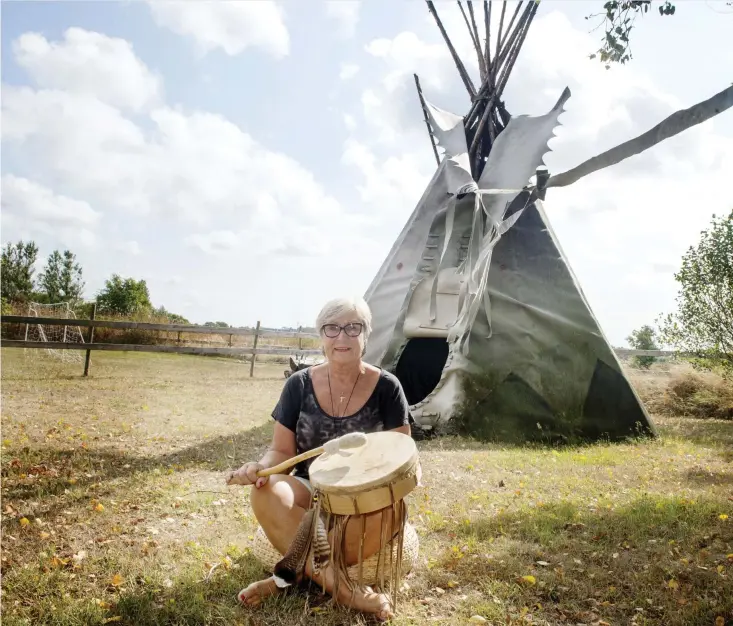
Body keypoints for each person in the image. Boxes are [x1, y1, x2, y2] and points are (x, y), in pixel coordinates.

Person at [227, 296, 412, 622]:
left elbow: (401, 458)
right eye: (332, 328)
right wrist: (262, 468)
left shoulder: (388, 388)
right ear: (321, 335)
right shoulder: (297, 385)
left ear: (366, 335)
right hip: (307, 488)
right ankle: (343, 589)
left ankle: (290, 575)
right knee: (264, 490)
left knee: (391, 507)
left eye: (353, 328)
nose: (342, 337)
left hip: (363, 499)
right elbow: (282, 452)